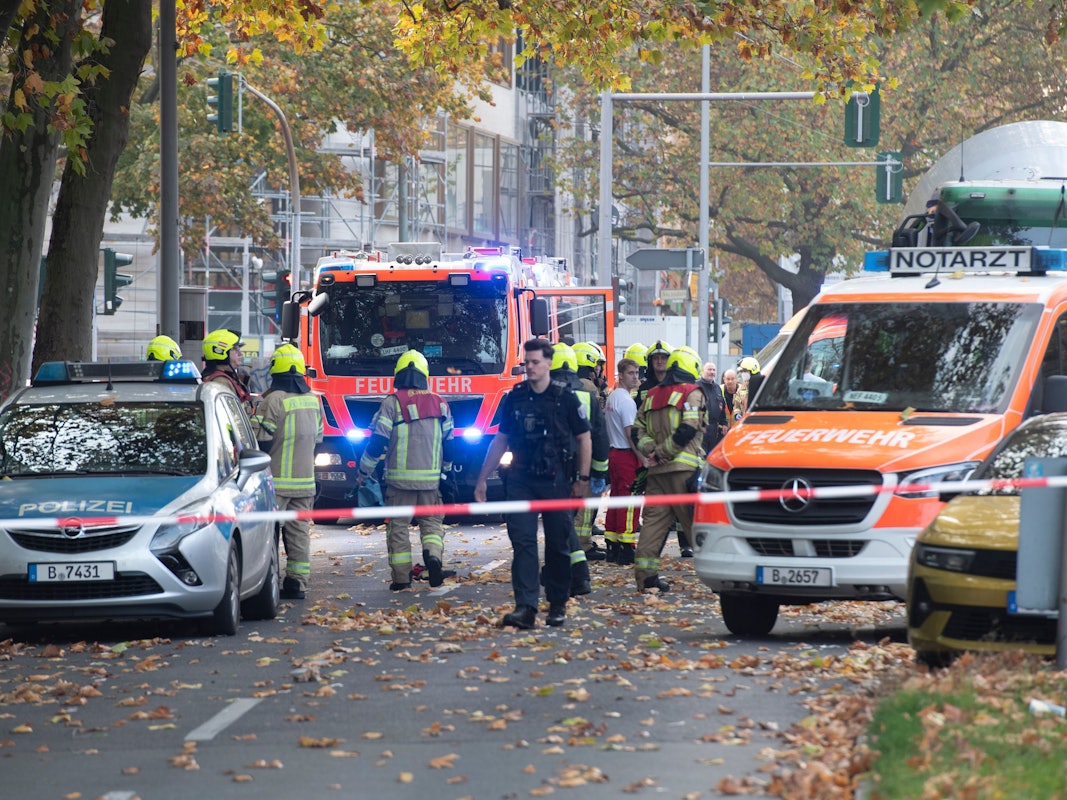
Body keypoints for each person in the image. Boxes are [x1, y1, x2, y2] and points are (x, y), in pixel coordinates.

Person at [475, 339, 591, 629]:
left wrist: (583, 478)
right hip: (521, 480)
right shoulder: (514, 398)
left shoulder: (565, 398)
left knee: (557, 545)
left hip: (556, 481)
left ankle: (557, 604)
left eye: (535, 362)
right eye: (526, 362)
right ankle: (525, 607)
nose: (530, 367)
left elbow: (584, 438)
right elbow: (500, 440)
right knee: (523, 543)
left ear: (549, 363)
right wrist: (482, 479)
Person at [356, 349, 457, 591]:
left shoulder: (391, 403)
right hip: (431, 482)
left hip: (399, 483)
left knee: (398, 528)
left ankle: (402, 579)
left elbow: (377, 442)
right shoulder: (440, 403)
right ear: (425, 374)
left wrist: (363, 472)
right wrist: (445, 472)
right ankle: (433, 556)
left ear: (398, 374)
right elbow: (450, 444)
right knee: (432, 524)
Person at [250, 344, 323, 600]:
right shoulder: (314, 400)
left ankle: (265, 582)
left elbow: (261, 443)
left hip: (275, 484)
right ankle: (297, 583)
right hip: (305, 483)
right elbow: (319, 440)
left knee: (268, 533)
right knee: (299, 533)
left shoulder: (273, 400)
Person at [632, 348, 706, 592]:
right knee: (698, 526)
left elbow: (637, 429)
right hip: (684, 472)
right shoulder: (692, 393)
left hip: (657, 475)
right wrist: (663, 451)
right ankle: (719, 579)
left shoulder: (651, 395)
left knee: (652, 525)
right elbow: (689, 428)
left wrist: (651, 450)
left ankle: (646, 577)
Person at [549, 342, 607, 595]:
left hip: (550, 469)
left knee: (560, 523)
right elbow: (599, 434)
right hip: (578, 466)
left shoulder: (542, 390)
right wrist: (598, 471)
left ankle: (573, 573)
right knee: (564, 522)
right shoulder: (588, 392)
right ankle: (569, 572)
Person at [570, 341, 610, 559]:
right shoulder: (589, 388)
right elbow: (597, 424)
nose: (599, 370)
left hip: (570, 452)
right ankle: (582, 545)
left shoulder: (569, 384)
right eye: (597, 365)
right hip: (588, 451)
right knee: (585, 505)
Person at [604, 357, 646, 565]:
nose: (635, 377)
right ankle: (627, 547)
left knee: (617, 498)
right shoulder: (626, 401)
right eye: (631, 373)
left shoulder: (613, 397)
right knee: (630, 501)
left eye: (637, 373)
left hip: (614, 453)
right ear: (621, 375)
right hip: (626, 455)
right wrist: (642, 459)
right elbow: (631, 434)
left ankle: (612, 543)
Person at [202, 329, 254, 415]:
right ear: (220, 352)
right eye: (235, 349)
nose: (240, 353)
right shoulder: (220, 382)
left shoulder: (228, 378)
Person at [699, 361, 729, 454]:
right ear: (703, 371)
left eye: (713, 370)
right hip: (701, 428)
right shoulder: (696, 386)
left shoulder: (717, 388)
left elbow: (722, 407)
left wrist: (724, 423)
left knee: (712, 456)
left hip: (714, 430)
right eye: (709, 369)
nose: (712, 372)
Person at [733, 356, 761, 421]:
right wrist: (737, 414)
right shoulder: (741, 388)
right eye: (742, 372)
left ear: (753, 370)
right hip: (746, 422)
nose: (743, 374)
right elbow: (736, 406)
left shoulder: (762, 385)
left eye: (745, 371)